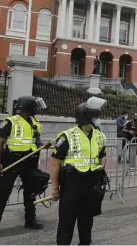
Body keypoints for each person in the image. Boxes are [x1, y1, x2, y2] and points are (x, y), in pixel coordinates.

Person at [0, 96, 48, 239]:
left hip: (30, 161)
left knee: (30, 192)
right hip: (12, 160)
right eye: (34, 107)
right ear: (28, 108)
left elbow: (36, 141)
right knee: (3, 193)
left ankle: (30, 220)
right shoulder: (10, 122)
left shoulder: (35, 123)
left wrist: (44, 145)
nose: (36, 110)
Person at [51, 97, 109, 245]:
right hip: (72, 184)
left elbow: (100, 159)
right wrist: (55, 189)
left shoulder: (100, 137)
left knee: (87, 220)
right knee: (66, 222)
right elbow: (55, 164)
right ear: (85, 118)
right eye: (95, 117)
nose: (98, 120)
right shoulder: (67, 136)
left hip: (91, 184)